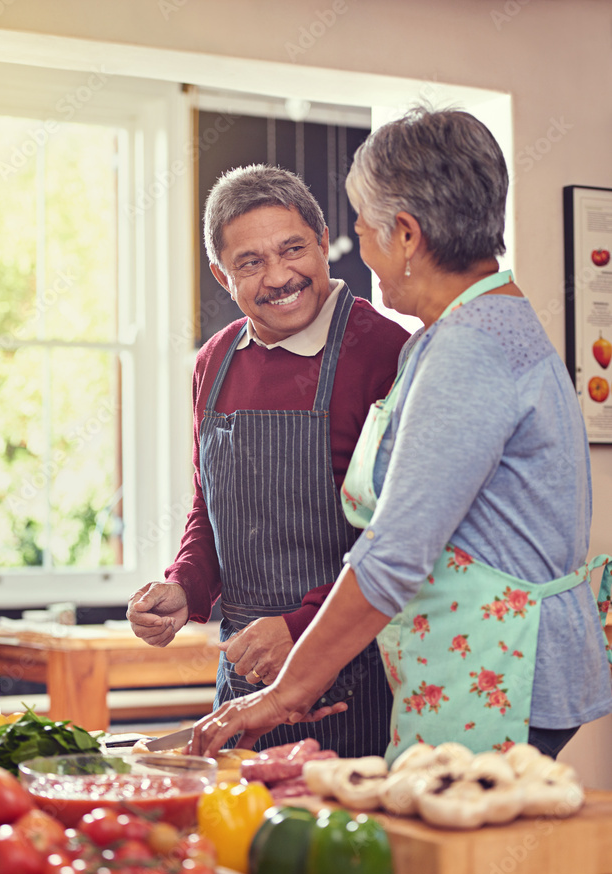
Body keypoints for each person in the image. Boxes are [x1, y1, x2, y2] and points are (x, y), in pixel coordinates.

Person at [189, 107, 612, 765]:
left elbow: (393, 553)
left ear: (406, 234)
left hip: (497, 666)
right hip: (480, 656)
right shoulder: (465, 329)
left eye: (361, 229)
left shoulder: (468, 348)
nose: (360, 250)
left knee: (460, 861)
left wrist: (284, 692)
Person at [127, 164, 409, 756]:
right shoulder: (215, 360)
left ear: (323, 239)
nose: (280, 277)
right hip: (243, 675)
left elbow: (401, 538)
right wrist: (185, 587)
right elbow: (211, 507)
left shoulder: (385, 352)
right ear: (221, 275)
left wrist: (299, 628)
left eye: (293, 249)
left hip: (354, 674)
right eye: (250, 262)